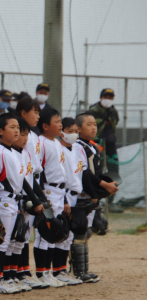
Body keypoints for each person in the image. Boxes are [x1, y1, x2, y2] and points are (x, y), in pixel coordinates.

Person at [0, 113, 44, 294]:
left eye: (17, 128)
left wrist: (34, 199)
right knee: (2, 242)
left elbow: (23, 180)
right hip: (4, 199)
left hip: (15, 200)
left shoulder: (12, 152)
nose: (16, 131)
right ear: (0, 131)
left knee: (14, 241)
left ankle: (9, 276)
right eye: (12, 128)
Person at [73, 113, 118, 283]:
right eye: (88, 124)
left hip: (92, 193)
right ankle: (77, 271)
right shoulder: (79, 147)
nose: (93, 127)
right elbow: (86, 174)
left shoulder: (90, 145)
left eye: (94, 124)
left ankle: (84, 269)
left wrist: (104, 186)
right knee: (80, 231)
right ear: (78, 128)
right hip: (84, 194)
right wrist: (100, 187)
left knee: (87, 231)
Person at [34, 107, 68, 288]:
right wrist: (41, 197)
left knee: (55, 231)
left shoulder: (57, 142)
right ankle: (41, 273)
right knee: (44, 233)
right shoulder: (41, 142)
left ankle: (48, 272)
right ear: (45, 126)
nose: (60, 124)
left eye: (60, 121)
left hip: (59, 190)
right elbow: (38, 172)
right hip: (47, 190)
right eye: (57, 121)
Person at [14, 96, 45, 288]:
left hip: (33, 180)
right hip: (24, 184)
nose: (38, 116)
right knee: (20, 231)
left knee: (26, 231)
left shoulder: (33, 136)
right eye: (36, 112)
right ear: (24, 113)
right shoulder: (22, 135)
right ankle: (20, 271)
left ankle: (24, 270)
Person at [55, 117, 86, 286]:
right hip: (63, 194)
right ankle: (55, 270)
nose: (74, 134)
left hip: (75, 194)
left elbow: (81, 173)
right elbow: (61, 178)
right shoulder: (59, 149)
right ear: (61, 132)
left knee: (68, 236)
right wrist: (65, 199)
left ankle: (62, 270)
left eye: (75, 131)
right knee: (60, 233)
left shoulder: (78, 149)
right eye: (69, 131)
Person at [88, 88, 122, 213]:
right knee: (97, 171)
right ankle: (97, 199)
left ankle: (111, 201)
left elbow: (115, 123)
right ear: (101, 97)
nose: (108, 99)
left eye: (110, 97)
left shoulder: (113, 111)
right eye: (106, 96)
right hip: (97, 144)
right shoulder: (93, 111)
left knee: (113, 170)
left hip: (111, 144)